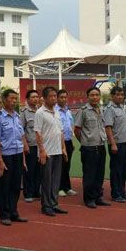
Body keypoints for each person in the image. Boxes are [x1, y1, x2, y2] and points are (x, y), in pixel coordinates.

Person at [0, 89, 29, 226]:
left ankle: (13, 212)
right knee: (4, 186)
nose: (14, 101)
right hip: (6, 156)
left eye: (15, 99)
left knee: (16, 186)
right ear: (4, 100)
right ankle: (4, 214)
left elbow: (21, 137)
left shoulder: (17, 116)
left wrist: (23, 158)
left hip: (17, 154)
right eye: (11, 98)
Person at [74, 87, 111, 209]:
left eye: (97, 95)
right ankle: (89, 199)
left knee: (99, 174)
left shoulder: (101, 110)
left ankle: (98, 197)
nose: (95, 97)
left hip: (101, 146)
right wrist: (84, 141)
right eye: (92, 95)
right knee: (89, 175)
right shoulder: (83, 111)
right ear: (88, 97)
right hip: (89, 148)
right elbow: (77, 130)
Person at [35, 87, 68, 216]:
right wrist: (42, 151)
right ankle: (46, 206)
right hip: (47, 152)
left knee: (55, 180)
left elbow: (60, 132)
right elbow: (38, 133)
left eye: (55, 96)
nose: (54, 98)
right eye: (51, 96)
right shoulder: (40, 113)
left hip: (57, 151)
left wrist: (63, 148)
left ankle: (54, 203)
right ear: (44, 98)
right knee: (47, 180)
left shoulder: (57, 112)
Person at [103, 86, 126, 203]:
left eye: (122, 95)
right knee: (116, 170)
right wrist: (113, 144)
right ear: (112, 96)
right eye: (118, 95)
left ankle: (122, 192)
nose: (120, 97)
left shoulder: (121, 108)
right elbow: (108, 127)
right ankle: (116, 194)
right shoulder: (109, 109)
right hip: (117, 143)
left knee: (124, 169)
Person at [20, 89, 41, 202]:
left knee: (39, 170)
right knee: (29, 170)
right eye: (33, 97)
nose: (35, 99)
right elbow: (21, 130)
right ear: (27, 99)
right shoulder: (24, 112)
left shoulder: (41, 111)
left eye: (37, 97)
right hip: (30, 145)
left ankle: (36, 192)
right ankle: (28, 193)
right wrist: (25, 145)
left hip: (40, 146)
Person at [56, 89, 77, 196]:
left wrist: (71, 141)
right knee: (60, 166)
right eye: (61, 97)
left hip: (68, 141)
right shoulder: (55, 111)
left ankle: (67, 187)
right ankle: (59, 188)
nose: (64, 99)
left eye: (65, 97)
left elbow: (71, 125)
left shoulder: (68, 111)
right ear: (57, 98)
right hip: (58, 142)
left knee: (67, 165)